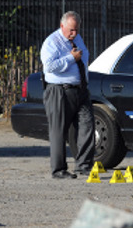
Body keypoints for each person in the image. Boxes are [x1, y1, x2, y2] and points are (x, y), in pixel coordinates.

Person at [40, 11, 95, 179]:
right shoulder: (51, 42)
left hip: (80, 89)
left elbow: (84, 58)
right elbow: (49, 67)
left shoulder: (77, 39)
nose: (74, 34)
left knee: (87, 125)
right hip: (60, 91)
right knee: (58, 131)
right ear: (62, 25)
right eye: (71, 30)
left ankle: (83, 165)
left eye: (77, 30)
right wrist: (71, 58)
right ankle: (59, 170)